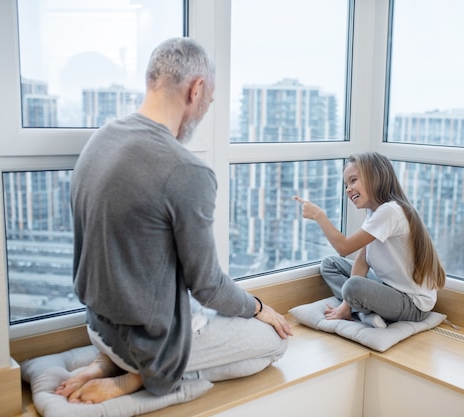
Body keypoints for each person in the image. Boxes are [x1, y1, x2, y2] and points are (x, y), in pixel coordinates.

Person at [55, 37, 293, 404]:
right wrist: (260, 308)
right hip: (152, 344)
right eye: (208, 103)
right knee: (275, 344)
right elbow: (207, 286)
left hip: (99, 327)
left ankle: (108, 362)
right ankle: (138, 377)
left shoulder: (100, 140)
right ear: (196, 90)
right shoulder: (186, 170)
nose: (203, 112)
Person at [293, 152, 445, 329]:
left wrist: (320, 216)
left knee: (353, 286)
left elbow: (344, 248)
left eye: (353, 180)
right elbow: (362, 259)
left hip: (413, 304)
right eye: (346, 184)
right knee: (330, 264)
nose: (348, 189)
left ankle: (365, 313)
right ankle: (363, 311)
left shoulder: (390, 211)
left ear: (376, 177)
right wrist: (345, 306)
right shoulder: (375, 212)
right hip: (388, 288)